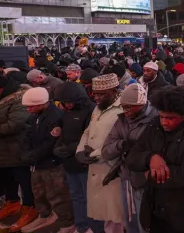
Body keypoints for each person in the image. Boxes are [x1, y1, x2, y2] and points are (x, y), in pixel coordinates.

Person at [126, 86, 184, 233]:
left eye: (170, 118)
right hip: (154, 210)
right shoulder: (154, 126)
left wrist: (150, 175)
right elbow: (132, 157)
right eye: (162, 117)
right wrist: (150, 158)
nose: (164, 122)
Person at [0, 74, 36, 232]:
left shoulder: (20, 99)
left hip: (18, 148)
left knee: (23, 180)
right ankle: (12, 204)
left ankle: (29, 209)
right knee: (7, 178)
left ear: (2, 88)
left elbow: (15, 124)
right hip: (0, 149)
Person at [102, 83, 158, 233]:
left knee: (145, 224)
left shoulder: (156, 120)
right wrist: (121, 144)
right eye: (123, 106)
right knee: (130, 223)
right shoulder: (121, 120)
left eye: (129, 107)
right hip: (126, 179)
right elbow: (106, 150)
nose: (125, 111)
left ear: (141, 104)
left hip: (146, 182)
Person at [20, 87, 74, 233]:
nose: (28, 109)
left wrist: (32, 155)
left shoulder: (55, 117)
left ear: (41, 103)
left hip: (52, 164)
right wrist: (26, 153)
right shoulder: (35, 115)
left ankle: (67, 223)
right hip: (37, 163)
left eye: (31, 106)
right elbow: (28, 134)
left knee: (58, 195)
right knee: (38, 192)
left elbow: (51, 143)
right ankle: (44, 215)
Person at [76, 74, 124, 233]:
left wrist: (95, 154)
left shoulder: (124, 107)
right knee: (105, 212)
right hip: (95, 166)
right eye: (94, 93)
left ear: (115, 90)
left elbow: (122, 139)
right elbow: (89, 130)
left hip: (113, 166)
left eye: (102, 94)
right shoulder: (99, 106)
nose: (96, 97)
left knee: (117, 213)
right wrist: (80, 150)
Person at [53, 82, 104, 233]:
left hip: (84, 162)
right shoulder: (67, 111)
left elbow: (90, 136)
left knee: (90, 198)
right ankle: (81, 226)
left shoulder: (91, 110)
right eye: (64, 102)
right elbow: (62, 130)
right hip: (69, 162)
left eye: (70, 101)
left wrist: (69, 149)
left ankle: (95, 228)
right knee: (76, 196)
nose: (67, 105)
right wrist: (57, 145)